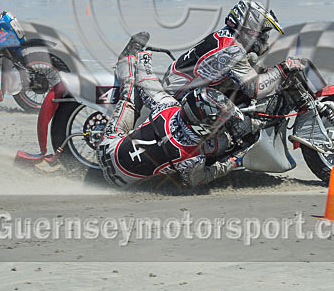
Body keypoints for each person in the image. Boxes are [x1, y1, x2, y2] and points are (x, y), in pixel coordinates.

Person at [97, 33, 258, 188]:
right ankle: (123, 61)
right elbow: (198, 180)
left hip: (107, 149)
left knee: (130, 97)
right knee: (217, 147)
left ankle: (128, 58)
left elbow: (146, 82)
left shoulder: (168, 109)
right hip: (118, 180)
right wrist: (235, 160)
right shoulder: (192, 158)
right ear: (200, 127)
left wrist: (143, 58)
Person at [161, 0, 303, 102]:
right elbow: (255, 90)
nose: (265, 37)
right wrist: (283, 69)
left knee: (253, 61)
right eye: (264, 32)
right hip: (178, 99)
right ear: (250, 29)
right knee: (242, 122)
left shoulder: (229, 35)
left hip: (183, 84)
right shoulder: (232, 50)